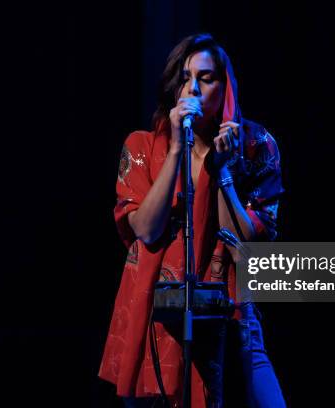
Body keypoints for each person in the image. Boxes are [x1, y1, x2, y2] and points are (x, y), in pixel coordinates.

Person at [99, 33, 286, 407]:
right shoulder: (141, 146)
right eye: (185, 78)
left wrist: (223, 173)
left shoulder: (255, 145)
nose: (193, 89)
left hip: (228, 307)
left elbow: (243, 242)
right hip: (157, 307)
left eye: (206, 78)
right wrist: (174, 149)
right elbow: (146, 230)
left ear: (225, 85)